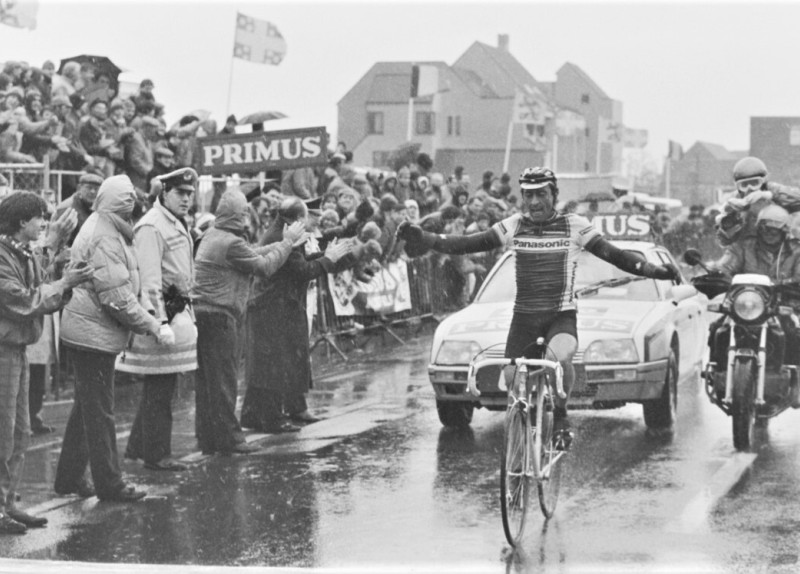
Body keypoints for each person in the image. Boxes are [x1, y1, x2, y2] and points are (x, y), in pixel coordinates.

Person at [398, 167, 678, 447]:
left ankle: (560, 414)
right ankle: (523, 439)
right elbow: (468, 243)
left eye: (541, 194)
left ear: (554, 195)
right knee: (511, 381)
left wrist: (652, 269)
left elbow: (616, 256)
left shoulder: (574, 225)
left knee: (559, 358)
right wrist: (425, 238)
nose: (534, 202)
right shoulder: (514, 225)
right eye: (528, 195)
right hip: (524, 319)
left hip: (560, 316)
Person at [54, 175, 171, 503]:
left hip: (88, 329)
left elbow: (123, 286)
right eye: (130, 199)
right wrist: (152, 325)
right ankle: (110, 483)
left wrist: (148, 316)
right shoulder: (107, 235)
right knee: (101, 411)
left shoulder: (104, 225)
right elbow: (117, 296)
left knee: (87, 408)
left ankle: (68, 477)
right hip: (93, 334)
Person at [192, 190, 306, 454]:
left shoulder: (213, 234)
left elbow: (253, 253)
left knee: (207, 382)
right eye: (243, 211)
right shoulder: (231, 243)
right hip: (221, 316)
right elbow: (264, 267)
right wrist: (287, 243)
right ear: (235, 214)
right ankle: (230, 439)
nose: (247, 216)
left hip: (204, 314)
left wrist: (282, 245)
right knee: (224, 381)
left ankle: (208, 438)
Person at [0, 192, 88, 534]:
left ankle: (8, 502)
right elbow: (22, 300)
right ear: (22, 221)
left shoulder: (16, 251)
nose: (43, 224)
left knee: (19, 432)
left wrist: (56, 258)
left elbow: (36, 282)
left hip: (16, 350)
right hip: (4, 350)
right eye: (39, 218)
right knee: (2, 434)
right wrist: (64, 281)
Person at [240, 197, 352, 433]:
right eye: (303, 218)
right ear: (296, 218)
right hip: (272, 307)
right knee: (273, 365)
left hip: (279, 305)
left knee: (276, 362)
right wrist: (328, 260)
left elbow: (300, 263)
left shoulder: (284, 232)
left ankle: (260, 413)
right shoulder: (282, 236)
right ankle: (270, 417)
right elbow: (300, 270)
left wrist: (325, 256)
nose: (306, 222)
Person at [118, 168, 198, 472]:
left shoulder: (174, 221)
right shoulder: (152, 226)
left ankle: (138, 447)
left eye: (190, 194)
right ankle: (157, 454)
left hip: (176, 310)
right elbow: (149, 280)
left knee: (161, 385)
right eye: (180, 193)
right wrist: (158, 322)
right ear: (163, 193)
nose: (186, 199)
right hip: (163, 315)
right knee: (160, 389)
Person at [707, 205, 800, 370]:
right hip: (743, 304)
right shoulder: (743, 246)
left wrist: (785, 284)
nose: (769, 233)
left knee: (792, 334)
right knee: (718, 330)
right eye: (765, 228)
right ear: (759, 228)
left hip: (781, 304)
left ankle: (792, 377)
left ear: (784, 232)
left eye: (774, 230)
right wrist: (716, 273)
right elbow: (726, 266)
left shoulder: (796, 251)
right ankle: (717, 371)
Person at [716, 156, 800, 245]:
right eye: (744, 185)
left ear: (764, 181)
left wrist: (769, 195)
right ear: (738, 186)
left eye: (754, 183)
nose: (750, 189)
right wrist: (726, 231)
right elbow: (723, 241)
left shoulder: (773, 189)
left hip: (780, 246)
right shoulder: (735, 199)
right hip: (750, 249)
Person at [54, 172, 104, 245]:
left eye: (96, 189)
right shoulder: (68, 208)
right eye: (89, 187)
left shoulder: (99, 206)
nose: (92, 192)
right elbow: (61, 242)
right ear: (79, 188)